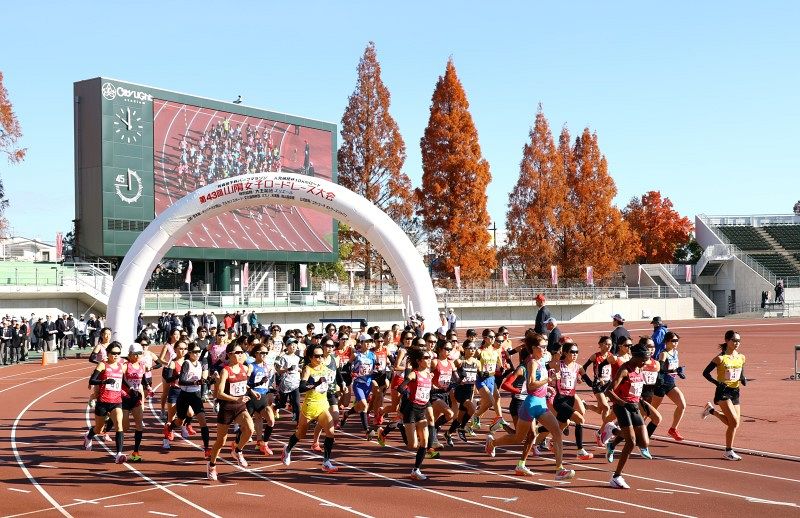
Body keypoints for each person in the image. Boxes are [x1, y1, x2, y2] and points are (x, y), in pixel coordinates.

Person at [486, 334, 576, 481]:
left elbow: (542, 380)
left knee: (557, 433)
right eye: (543, 347)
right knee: (518, 438)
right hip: (530, 404)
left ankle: (559, 469)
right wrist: (549, 379)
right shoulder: (532, 363)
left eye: (546, 347)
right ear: (534, 348)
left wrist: (548, 388)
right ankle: (493, 443)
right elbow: (531, 385)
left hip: (540, 403)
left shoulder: (542, 361)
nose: (545, 350)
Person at [281, 345, 339, 473]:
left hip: (323, 405)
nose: (319, 358)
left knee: (330, 431)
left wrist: (339, 386)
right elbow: (301, 388)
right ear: (310, 357)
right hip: (309, 407)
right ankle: (288, 449)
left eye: (321, 356)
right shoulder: (308, 369)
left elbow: (332, 380)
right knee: (301, 434)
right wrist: (315, 384)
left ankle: (326, 462)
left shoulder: (325, 368)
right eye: (316, 356)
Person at [603, 343, 651, 489]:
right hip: (622, 407)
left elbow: (637, 388)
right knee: (631, 441)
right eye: (643, 359)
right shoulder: (624, 370)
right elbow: (608, 391)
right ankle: (616, 476)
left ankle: (613, 433)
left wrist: (640, 401)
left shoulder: (640, 367)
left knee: (644, 443)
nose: (645, 362)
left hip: (634, 406)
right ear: (635, 356)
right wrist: (624, 403)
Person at [207, 343, 255, 481]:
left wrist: (252, 391)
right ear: (229, 355)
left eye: (242, 352)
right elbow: (219, 393)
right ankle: (212, 465)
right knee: (220, 442)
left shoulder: (244, 368)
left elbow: (242, 384)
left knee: (250, 429)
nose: (241, 354)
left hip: (240, 407)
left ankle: (238, 450)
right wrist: (236, 398)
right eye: (238, 352)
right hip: (227, 409)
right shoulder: (225, 371)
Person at [701, 330, 746, 461]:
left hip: (735, 391)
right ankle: (728, 451)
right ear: (727, 341)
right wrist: (717, 383)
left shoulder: (741, 357)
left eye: (738, 341)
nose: (737, 343)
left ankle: (711, 411)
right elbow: (705, 373)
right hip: (723, 392)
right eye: (734, 340)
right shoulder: (720, 358)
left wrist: (743, 378)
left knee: (734, 424)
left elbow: (741, 368)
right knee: (734, 422)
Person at [83, 342, 128, 464]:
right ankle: (89, 435)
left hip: (116, 401)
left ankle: (118, 454)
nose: (116, 355)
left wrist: (131, 390)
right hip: (103, 401)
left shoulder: (122, 366)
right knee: (99, 429)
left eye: (118, 353)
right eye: (113, 353)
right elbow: (92, 380)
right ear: (108, 353)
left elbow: (123, 381)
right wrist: (104, 382)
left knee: (119, 425)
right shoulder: (103, 365)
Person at [652, 331, 687, 442]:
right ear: (667, 341)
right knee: (651, 411)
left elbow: (673, 368)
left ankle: (673, 429)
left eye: (677, 341)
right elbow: (661, 369)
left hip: (671, 384)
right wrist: (674, 370)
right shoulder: (664, 354)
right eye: (674, 341)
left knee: (682, 405)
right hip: (661, 386)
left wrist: (679, 371)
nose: (676, 343)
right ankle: (635, 427)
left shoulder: (675, 352)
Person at [121, 344, 146, 462]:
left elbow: (142, 382)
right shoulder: (126, 366)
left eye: (139, 354)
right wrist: (128, 387)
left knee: (139, 425)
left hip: (136, 399)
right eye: (135, 354)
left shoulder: (142, 366)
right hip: (125, 398)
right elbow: (118, 377)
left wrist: (144, 399)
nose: (137, 356)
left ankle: (136, 452)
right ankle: (111, 419)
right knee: (125, 428)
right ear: (130, 354)